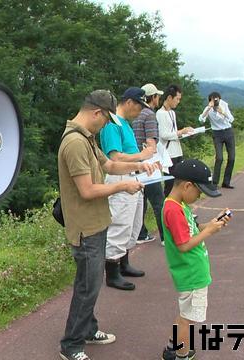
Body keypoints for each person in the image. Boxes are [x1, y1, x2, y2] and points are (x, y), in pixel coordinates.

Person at [58, 89, 155, 360]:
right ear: (97, 113)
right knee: (87, 287)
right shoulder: (75, 143)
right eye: (106, 120)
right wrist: (123, 187)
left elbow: (110, 165)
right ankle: (71, 345)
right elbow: (87, 190)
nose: (105, 126)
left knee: (89, 284)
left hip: (97, 222)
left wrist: (140, 167)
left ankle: (88, 329)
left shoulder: (87, 139)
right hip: (85, 227)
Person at [159, 159, 231, 360]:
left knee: (185, 315)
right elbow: (183, 245)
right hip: (191, 272)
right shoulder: (173, 209)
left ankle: (173, 347)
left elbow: (190, 231)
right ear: (187, 186)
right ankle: (182, 355)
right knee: (188, 319)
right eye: (199, 192)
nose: (199, 196)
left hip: (192, 271)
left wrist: (211, 224)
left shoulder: (179, 205)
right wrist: (209, 231)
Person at [99, 87, 156, 291]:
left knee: (133, 223)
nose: (140, 111)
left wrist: (142, 157)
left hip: (133, 175)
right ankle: (112, 272)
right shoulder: (112, 124)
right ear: (130, 102)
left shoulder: (126, 124)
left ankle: (124, 263)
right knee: (120, 223)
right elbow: (114, 157)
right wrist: (142, 157)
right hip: (119, 176)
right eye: (139, 106)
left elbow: (128, 152)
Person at [133, 83, 165, 246]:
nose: (159, 98)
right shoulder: (149, 114)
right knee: (159, 201)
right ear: (153, 97)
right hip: (147, 163)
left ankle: (141, 233)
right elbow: (150, 141)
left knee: (142, 199)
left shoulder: (136, 114)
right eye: (157, 96)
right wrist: (156, 160)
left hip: (135, 162)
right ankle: (166, 237)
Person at [157, 85, 194, 197]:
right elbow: (163, 135)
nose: (178, 102)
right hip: (168, 154)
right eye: (177, 99)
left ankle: (179, 208)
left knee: (180, 182)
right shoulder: (160, 113)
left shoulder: (172, 113)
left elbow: (173, 132)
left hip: (177, 151)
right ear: (169, 98)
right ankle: (167, 210)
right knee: (170, 184)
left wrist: (185, 133)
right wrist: (181, 131)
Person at [199, 92, 236, 189]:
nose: (215, 102)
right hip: (217, 134)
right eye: (213, 100)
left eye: (217, 99)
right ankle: (214, 183)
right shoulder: (208, 108)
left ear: (219, 99)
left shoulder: (224, 105)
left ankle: (226, 182)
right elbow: (201, 119)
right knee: (219, 158)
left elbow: (231, 119)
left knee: (231, 158)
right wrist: (208, 108)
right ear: (210, 100)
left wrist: (222, 112)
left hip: (228, 132)